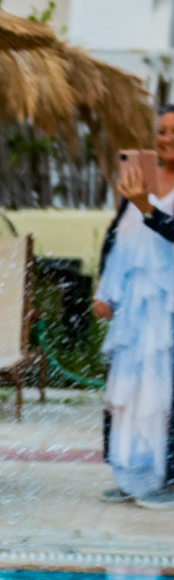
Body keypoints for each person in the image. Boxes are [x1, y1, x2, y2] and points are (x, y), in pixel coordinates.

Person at [94, 109, 174, 510]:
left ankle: (169, 477)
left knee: (165, 392)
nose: (166, 138)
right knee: (130, 389)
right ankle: (133, 473)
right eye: (162, 131)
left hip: (170, 308)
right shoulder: (140, 181)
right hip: (136, 308)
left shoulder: (144, 194)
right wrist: (105, 289)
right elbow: (118, 238)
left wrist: (146, 206)